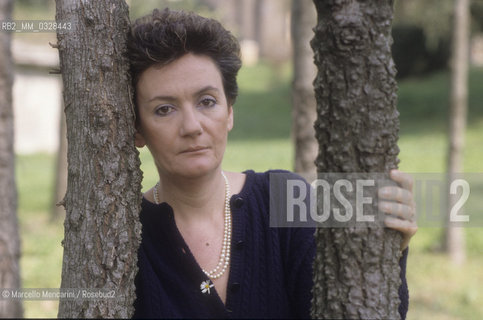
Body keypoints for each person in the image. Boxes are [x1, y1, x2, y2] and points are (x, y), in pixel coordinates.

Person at [128, 8, 417, 319]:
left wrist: (387, 253)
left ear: (229, 113)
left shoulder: (283, 198)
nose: (192, 126)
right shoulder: (127, 237)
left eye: (207, 102)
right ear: (137, 129)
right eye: (164, 109)